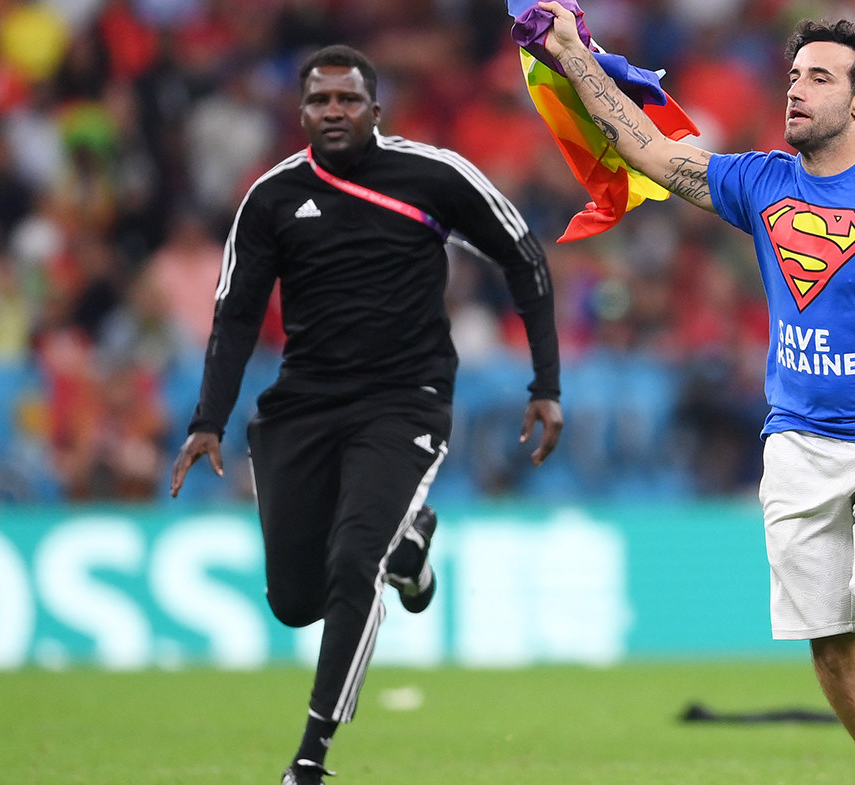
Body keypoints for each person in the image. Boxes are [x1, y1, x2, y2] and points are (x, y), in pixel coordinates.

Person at [538, 6, 855, 784]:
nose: (796, 90)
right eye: (792, 76)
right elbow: (644, 149)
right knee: (827, 631)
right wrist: (570, 53)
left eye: (819, 77)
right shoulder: (759, 181)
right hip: (797, 434)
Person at [168, 45, 564, 785]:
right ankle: (409, 548)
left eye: (348, 100)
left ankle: (311, 758)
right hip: (305, 403)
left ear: (376, 111)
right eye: (320, 101)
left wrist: (547, 381)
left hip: (404, 399)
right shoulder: (272, 198)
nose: (334, 112)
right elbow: (236, 312)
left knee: (355, 560)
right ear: (301, 113)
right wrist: (207, 420)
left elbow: (524, 256)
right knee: (293, 602)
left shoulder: (433, 176)